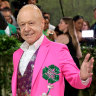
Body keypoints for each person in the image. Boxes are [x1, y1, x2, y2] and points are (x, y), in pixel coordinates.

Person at [12, 4, 94, 96]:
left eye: (31, 23)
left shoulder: (58, 50)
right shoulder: (17, 54)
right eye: (22, 24)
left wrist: (82, 78)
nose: (26, 29)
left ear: (42, 23)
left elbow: (75, 79)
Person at [55, 17, 82, 96]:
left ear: (67, 25)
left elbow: (54, 53)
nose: (58, 25)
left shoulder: (61, 37)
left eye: (61, 23)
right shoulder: (74, 37)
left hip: (65, 67)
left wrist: (54, 37)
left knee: (65, 91)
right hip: (75, 65)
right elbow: (79, 55)